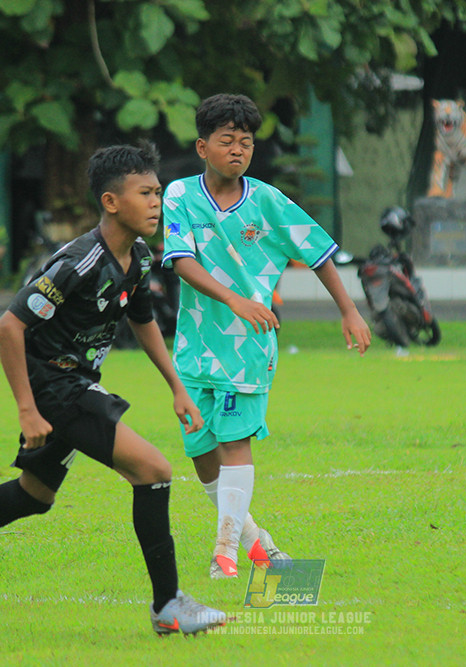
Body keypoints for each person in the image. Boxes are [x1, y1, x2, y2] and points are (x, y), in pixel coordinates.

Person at [0, 142, 227, 636]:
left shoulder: (136, 256)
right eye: (145, 193)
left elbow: (143, 320)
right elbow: (8, 328)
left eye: (158, 192)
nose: (157, 202)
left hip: (74, 383)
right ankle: (168, 605)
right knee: (154, 470)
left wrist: (176, 387)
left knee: (35, 495)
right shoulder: (79, 262)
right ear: (111, 202)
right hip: (53, 386)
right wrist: (28, 410)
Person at [161, 94, 372, 579]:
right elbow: (181, 259)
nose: (238, 149)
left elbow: (318, 251)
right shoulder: (179, 195)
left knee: (236, 443)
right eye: (227, 140)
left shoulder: (269, 201)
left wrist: (349, 311)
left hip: (248, 347)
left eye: (247, 142)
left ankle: (225, 554)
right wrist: (233, 298)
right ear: (202, 146)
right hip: (193, 348)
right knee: (201, 452)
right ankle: (260, 543)